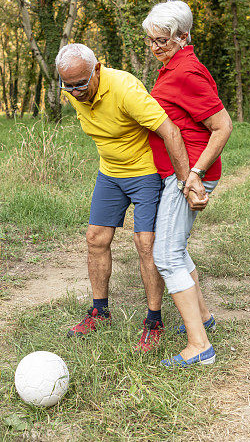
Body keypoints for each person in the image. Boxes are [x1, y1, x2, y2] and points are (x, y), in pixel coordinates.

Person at [56, 43, 197, 352]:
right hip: (110, 173)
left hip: (145, 172)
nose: (75, 92)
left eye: (81, 84)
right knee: (95, 238)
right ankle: (100, 312)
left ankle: (153, 321)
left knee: (145, 244)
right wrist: (75, 89)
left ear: (97, 69)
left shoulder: (124, 89)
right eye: (68, 86)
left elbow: (169, 131)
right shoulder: (74, 89)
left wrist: (188, 180)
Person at [142, 0, 233, 367]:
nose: (154, 47)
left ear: (183, 36)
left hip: (185, 177)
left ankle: (200, 345)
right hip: (174, 175)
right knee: (175, 248)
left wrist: (193, 174)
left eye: (161, 40)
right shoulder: (172, 66)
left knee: (165, 255)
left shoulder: (186, 72)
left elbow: (222, 126)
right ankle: (204, 316)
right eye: (150, 40)